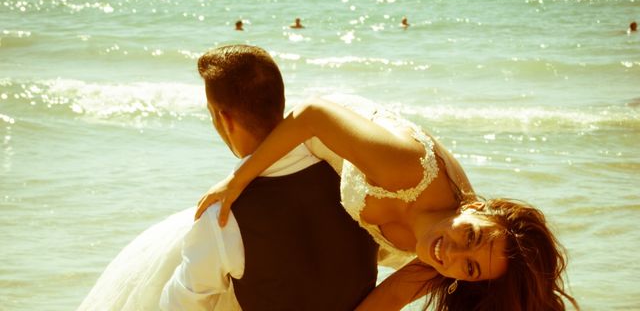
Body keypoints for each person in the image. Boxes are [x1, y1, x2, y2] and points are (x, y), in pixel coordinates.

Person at [197, 93, 580, 310]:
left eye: (471, 268)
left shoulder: (442, 263)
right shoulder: (406, 170)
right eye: (473, 237)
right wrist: (236, 179)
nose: (454, 253)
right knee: (244, 158)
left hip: (355, 189)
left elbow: (392, 296)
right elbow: (311, 115)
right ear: (474, 209)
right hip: (319, 134)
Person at [78, 45, 379, 311]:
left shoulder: (224, 217)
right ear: (280, 102)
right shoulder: (354, 177)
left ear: (224, 118)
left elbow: (181, 307)